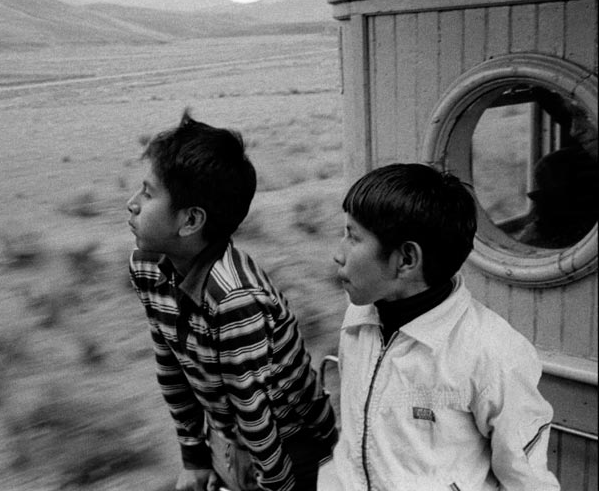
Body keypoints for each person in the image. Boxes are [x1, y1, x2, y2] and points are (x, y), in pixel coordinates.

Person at [127, 109, 337, 491]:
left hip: (293, 443)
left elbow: (254, 408)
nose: (132, 203)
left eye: (147, 193)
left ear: (190, 221)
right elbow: (170, 364)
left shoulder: (233, 300)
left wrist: (275, 485)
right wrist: (193, 457)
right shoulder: (147, 268)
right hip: (231, 436)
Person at [332, 162, 560, 490]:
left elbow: (528, 482)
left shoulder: (493, 354)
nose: (337, 254)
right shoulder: (359, 318)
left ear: (407, 260)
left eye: (353, 238)